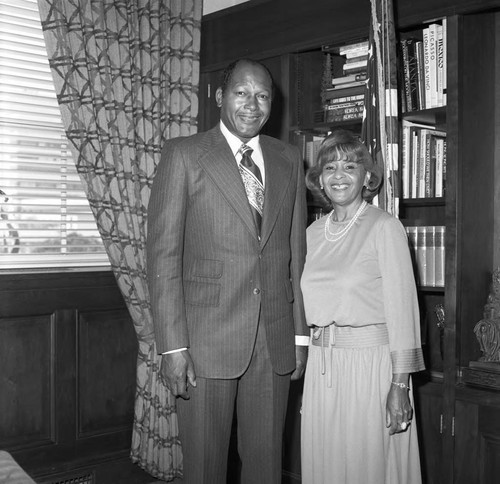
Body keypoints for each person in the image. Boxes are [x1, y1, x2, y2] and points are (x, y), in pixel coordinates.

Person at [147, 58, 309, 484]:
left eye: (262, 96)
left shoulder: (288, 158)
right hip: (203, 343)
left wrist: (299, 335)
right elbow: (163, 256)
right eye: (241, 92)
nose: (252, 104)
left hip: (273, 340)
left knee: (265, 468)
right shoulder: (183, 155)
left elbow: (295, 254)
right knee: (204, 469)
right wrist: (172, 347)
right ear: (220, 97)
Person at [300, 129, 425, 484]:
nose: (339, 176)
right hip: (321, 368)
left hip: (370, 369)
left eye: (349, 166)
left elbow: (404, 311)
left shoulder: (385, 228)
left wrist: (399, 386)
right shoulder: (310, 234)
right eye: (330, 168)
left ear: (367, 176)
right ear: (319, 179)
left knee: (365, 468)